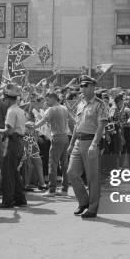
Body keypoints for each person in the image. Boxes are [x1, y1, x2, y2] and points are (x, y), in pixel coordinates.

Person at [67, 75, 107, 219]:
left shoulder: (100, 104)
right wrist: (71, 143)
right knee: (71, 172)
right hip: (78, 141)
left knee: (92, 178)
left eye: (84, 86)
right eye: (81, 86)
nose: (81, 89)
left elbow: (101, 125)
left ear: (92, 87)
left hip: (91, 142)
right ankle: (83, 201)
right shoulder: (80, 103)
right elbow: (77, 126)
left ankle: (92, 208)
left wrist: (95, 144)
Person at [27, 91, 71, 196]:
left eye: (47, 100)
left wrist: (31, 126)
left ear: (53, 98)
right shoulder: (64, 108)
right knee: (64, 165)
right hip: (65, 137)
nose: (46, 102)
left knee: (53, 164)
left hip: (56, 138)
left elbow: (40, 123)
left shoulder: (50, 110)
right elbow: (72, 121)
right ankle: (65, 189)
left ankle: (52, 190)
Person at [0, 85, 28, 209]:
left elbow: (8, 131)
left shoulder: (11, 111)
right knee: (14, 172)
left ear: (8, 99)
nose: (4, 101)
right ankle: (20, 199)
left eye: (4, 99)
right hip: (19, 142)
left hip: (12, 141)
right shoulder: (19, 110)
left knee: (7, 172)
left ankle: (7, 201)